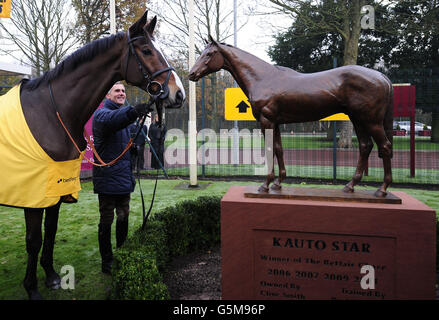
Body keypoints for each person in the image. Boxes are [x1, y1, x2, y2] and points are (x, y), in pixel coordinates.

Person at [92, 82, 150, 274]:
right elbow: (115, 120)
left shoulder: (123, 115)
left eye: (123, 91)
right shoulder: (102, 114)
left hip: (123, 177)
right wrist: (134, 111)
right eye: (117, 90)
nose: (121, 93)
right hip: (108, 178)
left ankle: (122, 253)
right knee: (106, 220)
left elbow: (121, 126)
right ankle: (106, 261)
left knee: (123, 215)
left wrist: (131, 150)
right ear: (108, 95)